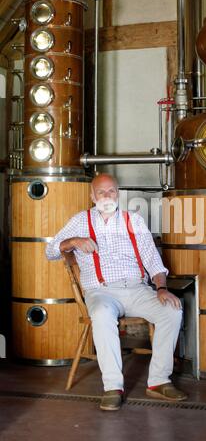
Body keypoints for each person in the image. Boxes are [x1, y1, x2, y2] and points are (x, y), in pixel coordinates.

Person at [46, 173, 187, 411]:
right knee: (101, 314)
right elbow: (50, 251)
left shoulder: (133, 220)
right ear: (92, 196)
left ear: (118, 194)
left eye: (111, 191)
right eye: (101, 192)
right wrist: (73, 242)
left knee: (172, 311)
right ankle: (113, 387)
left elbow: (153, 260)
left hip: (137, 289)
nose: (107, 196)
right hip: (101, 292)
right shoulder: (81, 221)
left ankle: (158, 381)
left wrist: (161, 288)